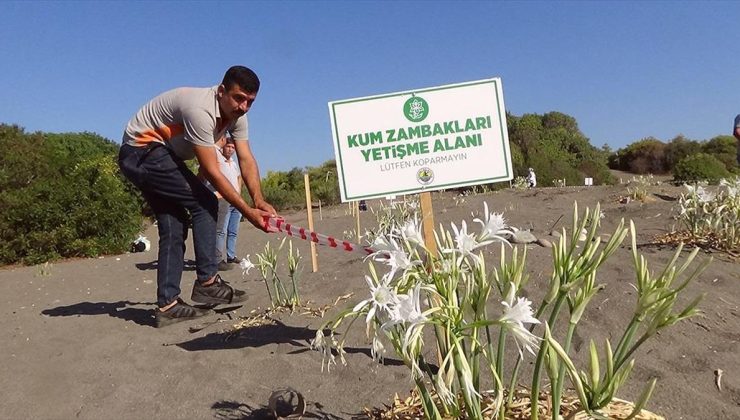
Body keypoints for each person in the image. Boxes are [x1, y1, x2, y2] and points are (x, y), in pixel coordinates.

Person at [118, 66, 277, 327]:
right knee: (205, 202)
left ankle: (167, 305)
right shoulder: (200, 110)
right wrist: (249, 213)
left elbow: (246, 158)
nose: (244, 107)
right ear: (222, 91)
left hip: (160, 155)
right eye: (239, 98)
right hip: (140, 150)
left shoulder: (238, 116)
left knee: (174, 222)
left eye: (250, 101)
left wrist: (258, 200)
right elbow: (212, 172)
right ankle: (208, 282)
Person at [201, 137, 243, 271]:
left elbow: (238, 177)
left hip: (235, 200)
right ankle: (218, 259)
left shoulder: (234, 164)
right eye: (228, 147)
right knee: (221, 230)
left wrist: (238, 192)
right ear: (223, 147)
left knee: (233, 230)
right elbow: (205, 173)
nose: (230, 150)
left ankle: (231, 255)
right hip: (222, 199)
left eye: (233, 148)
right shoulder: (217, 159)